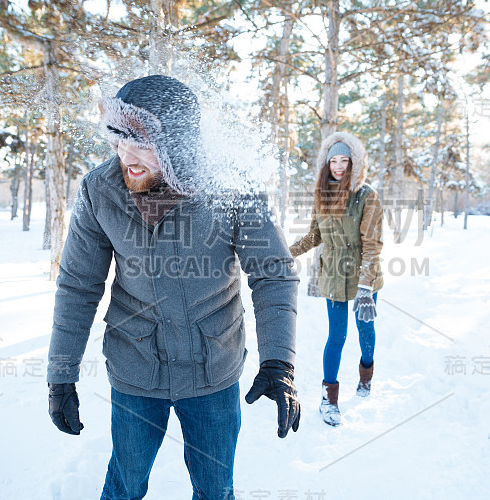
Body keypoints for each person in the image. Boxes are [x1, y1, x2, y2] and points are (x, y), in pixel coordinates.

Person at [45, 75, 301, 500]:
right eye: (117, 139)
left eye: (140, 143)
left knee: (216, 490)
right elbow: (78, 285)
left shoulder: (230, 186)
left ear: (177, 143)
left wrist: (279, 362)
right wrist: (61, 375)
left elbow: (272, 273)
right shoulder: (99, 190)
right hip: (135, 368)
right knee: (124, 485)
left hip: (213, 370)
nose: (125, 156)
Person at [289, 131, 384, 427]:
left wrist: (366, 288)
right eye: (334, 160)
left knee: (365, 332)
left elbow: (372, 244)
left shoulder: (367, 196)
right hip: (332, 274)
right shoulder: (323, 194)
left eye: (345, 160)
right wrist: (286, 253)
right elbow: (315, 234)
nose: (339, 166)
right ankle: (328, 399)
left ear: (354, 162)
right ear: (326, 162)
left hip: (363, 276)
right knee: (337, 336)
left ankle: (365, 377)